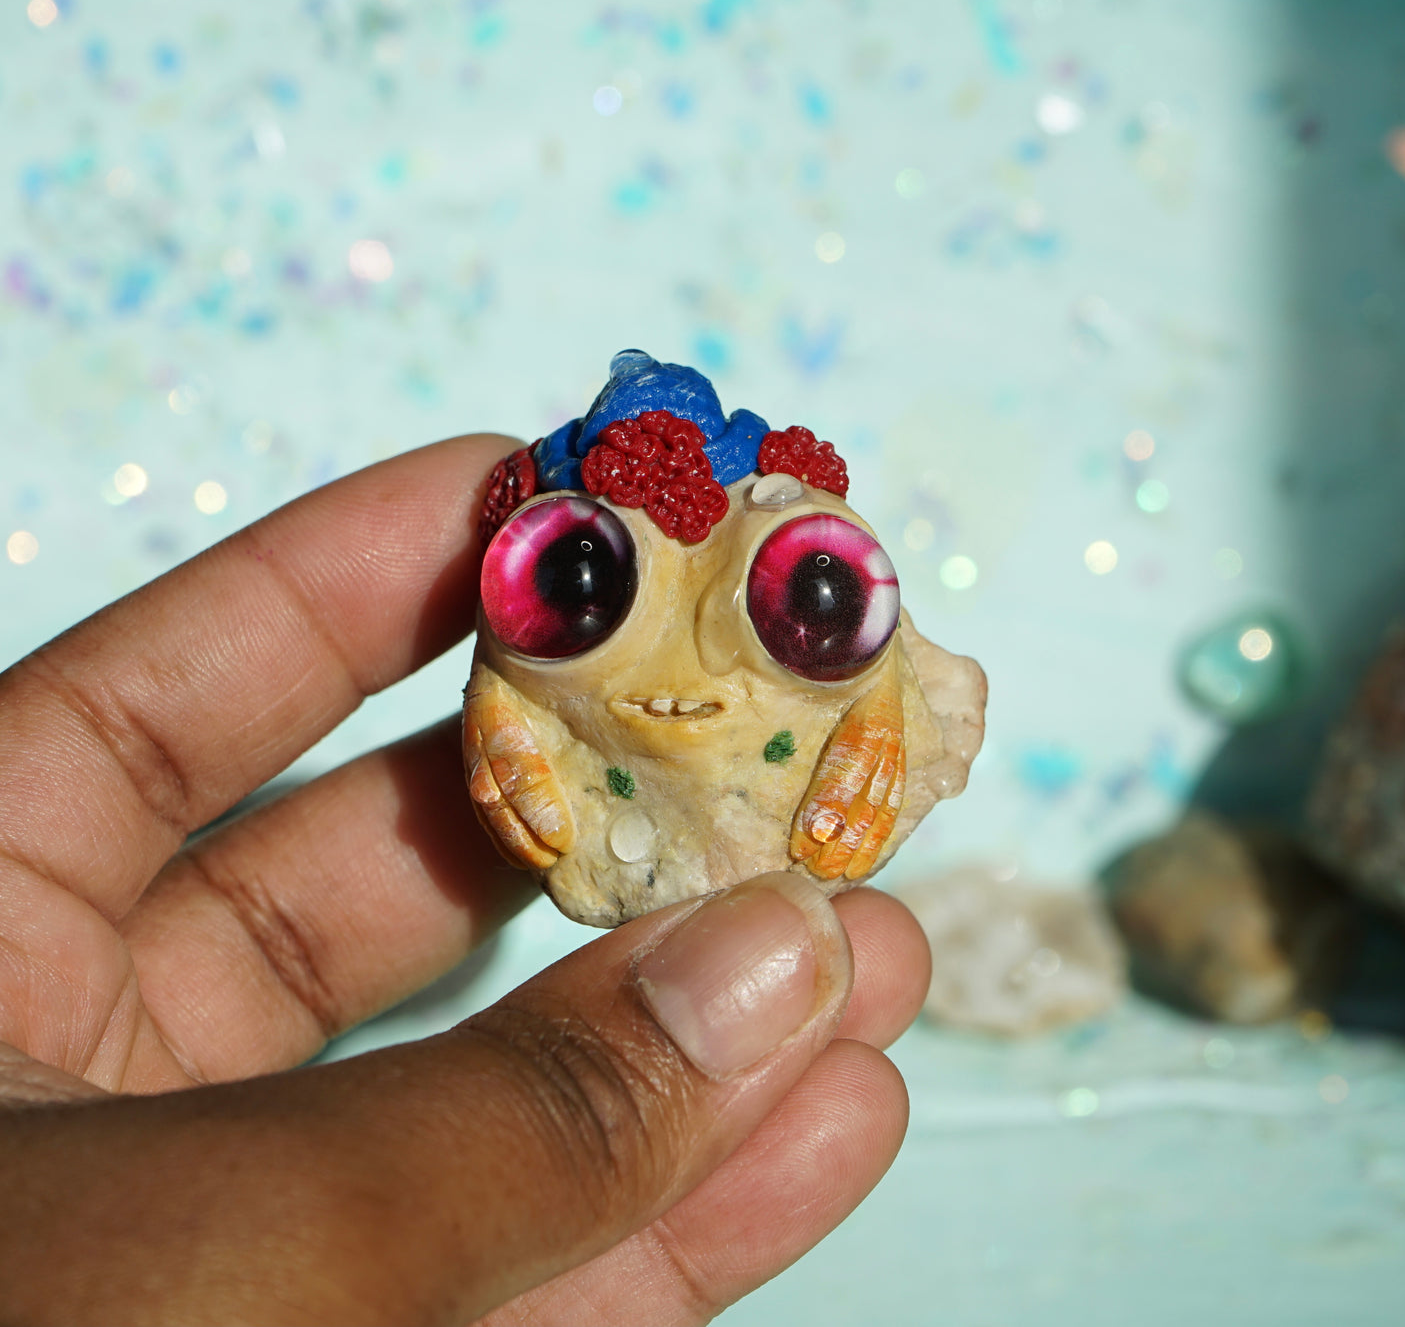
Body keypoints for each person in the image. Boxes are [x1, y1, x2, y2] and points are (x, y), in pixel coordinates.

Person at [0, 435, 930, 1324]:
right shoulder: (515, 677)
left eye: (813, 593)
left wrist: (874, 715)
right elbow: (502, 693)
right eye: (575, 581)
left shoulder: (870, 678)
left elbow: (888, 677)